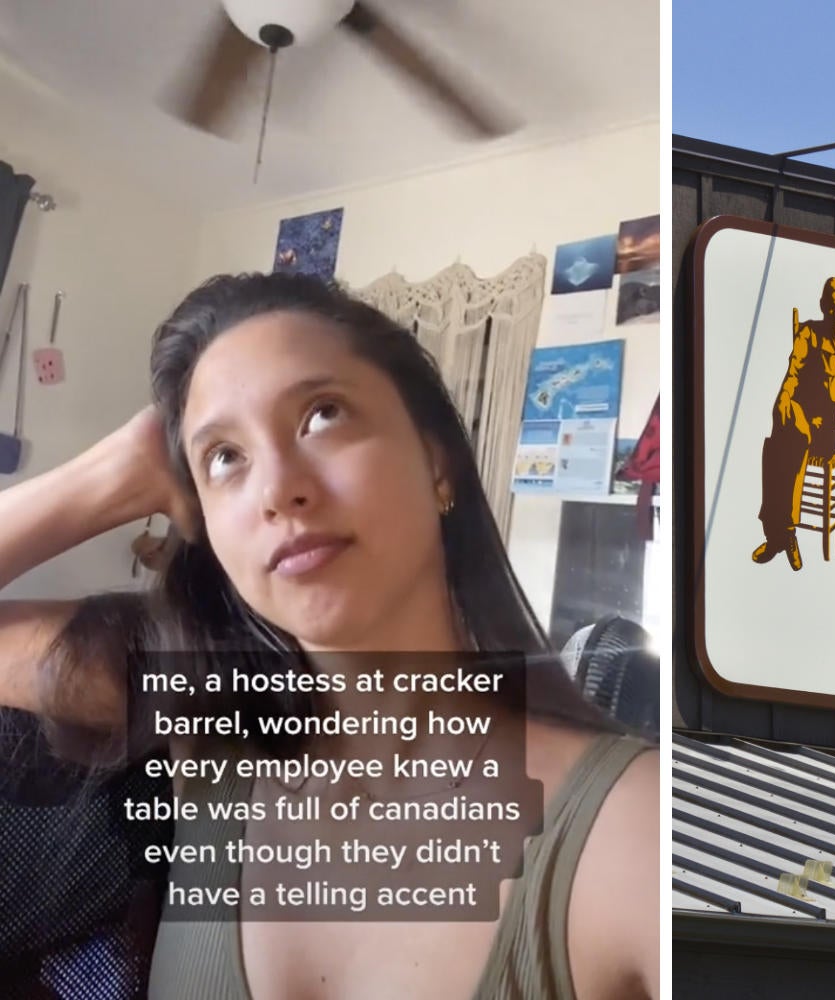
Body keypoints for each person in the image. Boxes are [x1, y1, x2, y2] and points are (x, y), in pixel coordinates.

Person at [0, 272, 658, 998]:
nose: (277, 488)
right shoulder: (207, 728)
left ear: (436, 460)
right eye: (225, 457)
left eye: (322, 415)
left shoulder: (628, 832)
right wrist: (109, 476)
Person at [752, 276, 835, 570]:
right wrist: (783, 398)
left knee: (780, 446)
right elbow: (793, 371)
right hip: (799, 417)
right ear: (824, 307)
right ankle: (784, 534)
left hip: (827, 434)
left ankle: (779, 536)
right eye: (832, 308)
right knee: (783, 438)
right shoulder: (809, 334)